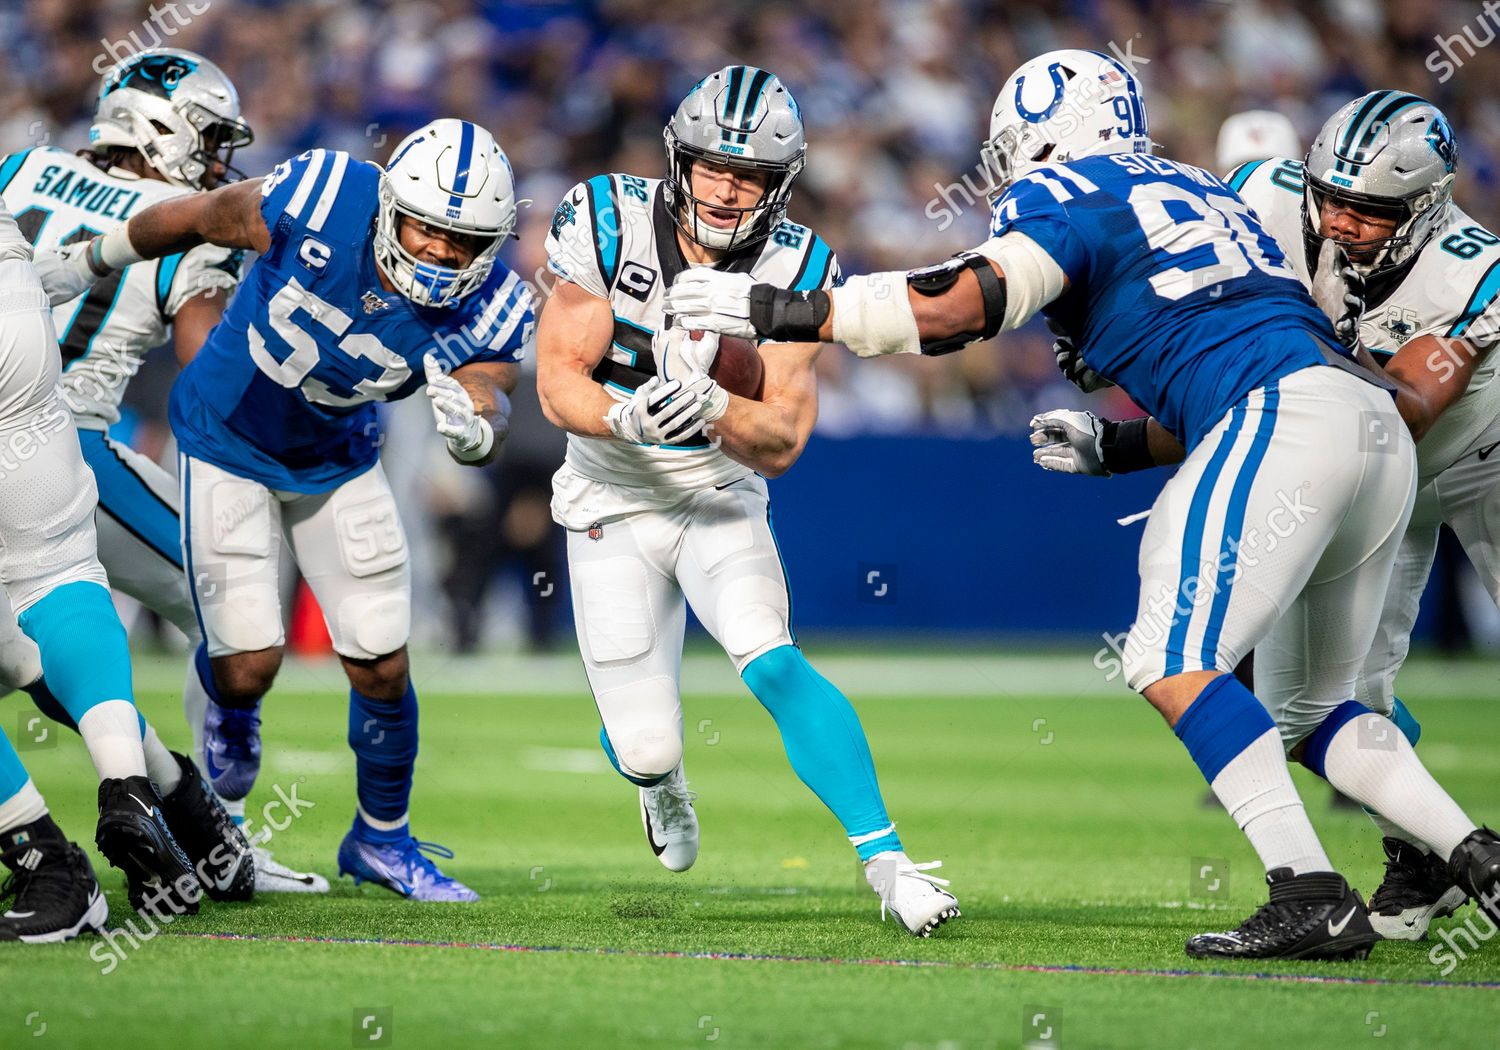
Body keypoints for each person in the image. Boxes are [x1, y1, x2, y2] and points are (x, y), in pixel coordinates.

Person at [665, 49, 1500, 958]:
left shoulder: (1072, 193)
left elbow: (961, 307)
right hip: (1365, 430)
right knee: (1309, 708)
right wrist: (1120, 446)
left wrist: (788, 310)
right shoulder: (1202, 190)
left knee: (1166, 654)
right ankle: (1476, 854)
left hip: (1286, 417)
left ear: (1037, 139)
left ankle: (1308, 890)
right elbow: (1221, 353)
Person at [63, 118, 534, 900]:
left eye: (463, 239)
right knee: (247, 666)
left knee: (382, 659)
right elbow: (198, 214)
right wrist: (96, 258)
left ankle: (381, 840)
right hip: (225, 442)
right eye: (427, 228)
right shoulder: (320, 195)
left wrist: (480, 423)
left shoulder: (494, 301)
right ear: (390, 207)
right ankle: (233, 720)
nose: (442, 253)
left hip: (336, 462)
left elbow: (491, 381)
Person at [537, 66, 958, 936]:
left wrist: (720, 407)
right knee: (647, 747)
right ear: (677, 161)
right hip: (608, 492)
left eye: (751, 177)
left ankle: (889, 864)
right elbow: (555, 382)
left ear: (781, 185)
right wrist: (625, 414)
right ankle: (662, 788)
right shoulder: (606, 217)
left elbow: (785, 437)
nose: (727, 191)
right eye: (713, 168)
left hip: (715, 493)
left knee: (770, 658)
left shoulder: (799, 264)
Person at [0, 46, 315, 895]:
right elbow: (208, 371)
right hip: (66, 445)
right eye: (210, 137)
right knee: (227, 602)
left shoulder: (23, 167)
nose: (218, 158)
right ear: (160, 124)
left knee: (27, 645)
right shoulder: (186, 217)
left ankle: (58, 824)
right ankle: (218, 835)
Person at [1213, 92, 1499, 939]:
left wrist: (1283, 340)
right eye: (1328, 198)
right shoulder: (1262, 194)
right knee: (1337, 695)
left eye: (1367, 211)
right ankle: (1421, 857)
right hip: (1384, 478)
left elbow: (1407, 403)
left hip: (1483, 457)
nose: (1338, 222)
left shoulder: (1470, 264)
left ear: (1424, 208)